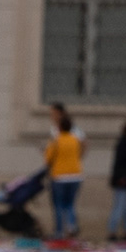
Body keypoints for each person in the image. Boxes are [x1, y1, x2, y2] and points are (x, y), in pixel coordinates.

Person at [45, 103, 83, 240]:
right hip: (75, 175)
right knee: (70, 204)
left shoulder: (56, 140)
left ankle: (59, 231)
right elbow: (80, 151)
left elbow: (48, 158)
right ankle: (71, 225)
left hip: (59, 176)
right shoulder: (75, 140)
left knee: (59, 205)